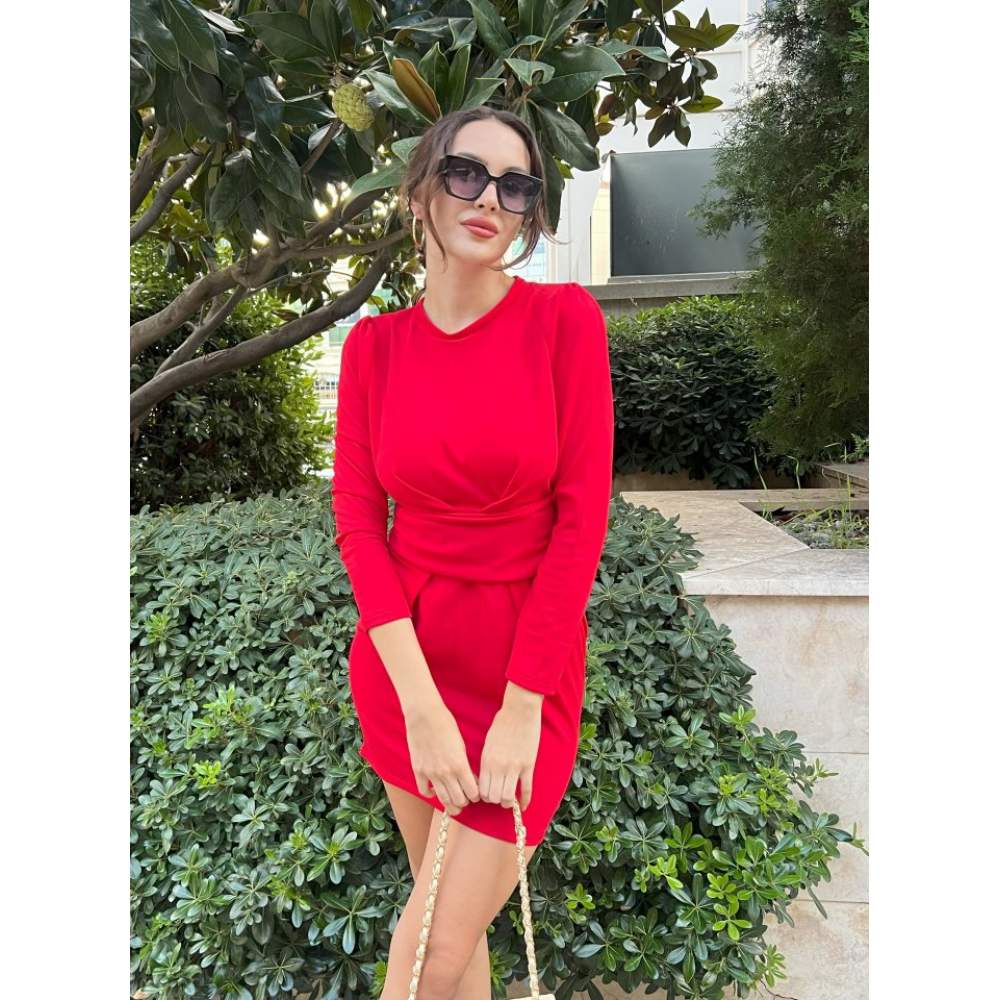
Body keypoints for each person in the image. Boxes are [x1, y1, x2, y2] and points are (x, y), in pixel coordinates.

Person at [331, 106, 614, 999]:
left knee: (424, 962)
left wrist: (523, 705)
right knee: (452, 949)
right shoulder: (373, 348)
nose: (491, 198)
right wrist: (420, 709)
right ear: (420, 193)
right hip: (408, 673)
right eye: (466, 173)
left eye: (515, 185)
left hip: (521, 676)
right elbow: (358, 527)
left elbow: (581, 523)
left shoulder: (563, 322)